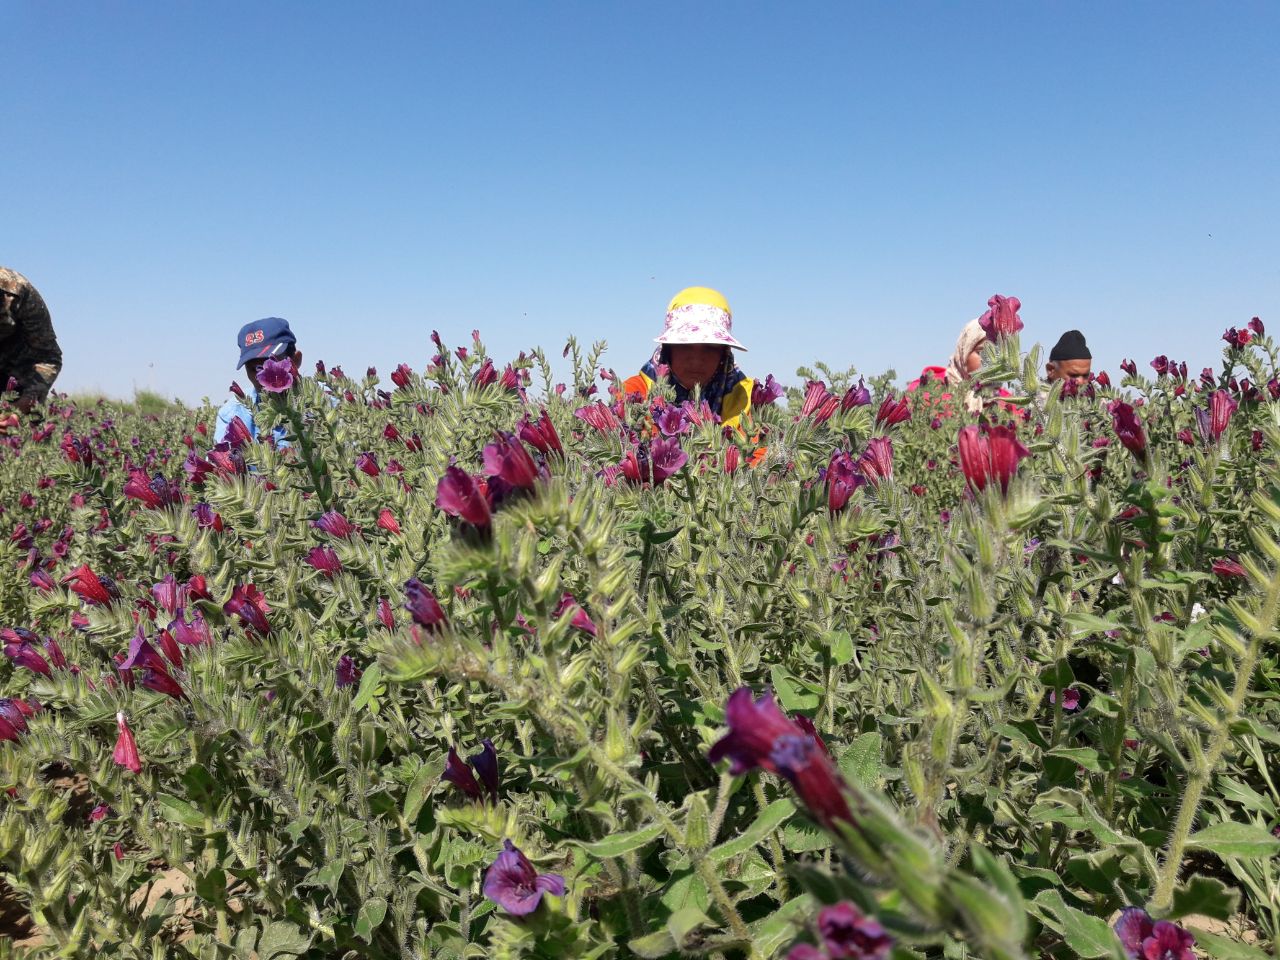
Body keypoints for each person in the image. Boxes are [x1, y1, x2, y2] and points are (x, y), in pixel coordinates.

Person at [622, 287, 754, 429]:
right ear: (667, 348)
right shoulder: (633, 394)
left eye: (710, 347)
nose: (696, 360)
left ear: (724, 353)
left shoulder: (745, 398)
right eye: (685, 345)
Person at [214, 317, 303, 445]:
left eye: (269, 364)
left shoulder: (328, 402)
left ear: (296, 360)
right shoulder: (232, 413)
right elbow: (220, 459)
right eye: (254, 369)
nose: (262, 377)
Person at [0, 267, 62, 414]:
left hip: (15, 375)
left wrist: (21, 408)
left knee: (24, 429)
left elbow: (48, 357)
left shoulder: (18, 290)